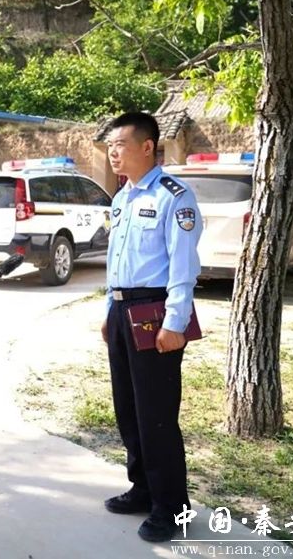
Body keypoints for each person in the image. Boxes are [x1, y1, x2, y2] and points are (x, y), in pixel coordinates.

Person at [100, 111, 203, 543]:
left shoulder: (173, 196)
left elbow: (183, 265)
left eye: (120, 145)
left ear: (147, 146)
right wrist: (109, 310)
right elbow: (115, 262)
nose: (113, 153)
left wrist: (175, 322)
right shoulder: (121, 198)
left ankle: (172, 507)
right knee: (128, 409)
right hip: (122, 310)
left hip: (155, 312)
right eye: (109, 146)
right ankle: (142, 488)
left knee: (156, 415)